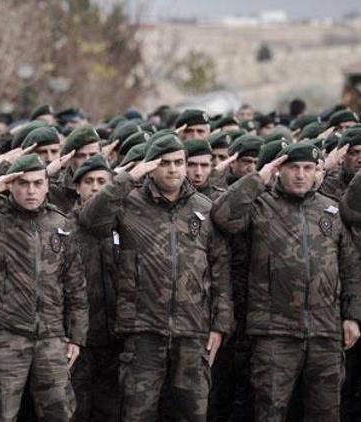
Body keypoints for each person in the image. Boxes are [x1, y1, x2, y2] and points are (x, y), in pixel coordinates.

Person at [80, 135, 233, 421]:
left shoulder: (204, 208)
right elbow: (90, 220)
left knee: (190, 413)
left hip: (192, 331)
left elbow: (219, 268)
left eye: (179, 163)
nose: (173, 169)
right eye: (165, 163)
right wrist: (126, 178)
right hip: (143, 331)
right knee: (138, 413)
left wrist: (220, 325)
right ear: (151, 166)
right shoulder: (129, 203)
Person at [211, 143, 361, 421]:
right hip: (274, 333)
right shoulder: (260, 206)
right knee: (270, 411)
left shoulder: (330, 209)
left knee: (326, 412)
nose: (301, 175)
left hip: (325, 332)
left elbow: (350, 267)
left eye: (308, 168)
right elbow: (222, 216)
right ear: (279, 169)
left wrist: (352, 316)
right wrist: (258, 178)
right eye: (294, 168)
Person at [0, 154, 88, 421]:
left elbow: (75, 284)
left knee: (59, 412)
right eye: (23, 183)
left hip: (51, 338)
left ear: (48, 185)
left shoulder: (60, 224)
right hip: (5, 338)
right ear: (11, 185)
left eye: (37, 183)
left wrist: (77, 336)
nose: (31, 190)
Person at [67, 155, 121, 421]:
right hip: (78, 338)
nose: (96, 187)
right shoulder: (65, 228)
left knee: (110, 409)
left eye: (102, 181)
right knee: (76, 408)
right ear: (77, 187)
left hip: (116, 336)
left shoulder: (121, 224)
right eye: (89, 182)